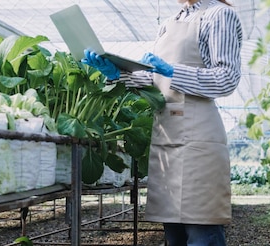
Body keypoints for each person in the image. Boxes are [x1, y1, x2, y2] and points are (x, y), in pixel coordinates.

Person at [82, 0, 242, 245]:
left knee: (201, 232)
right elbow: (157, 81)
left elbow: (226, 79)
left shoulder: (219, 15)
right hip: (167, 137)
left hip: (199, 139)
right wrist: (117, 74)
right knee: (173, 234)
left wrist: (174, 72)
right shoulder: (170, 23)